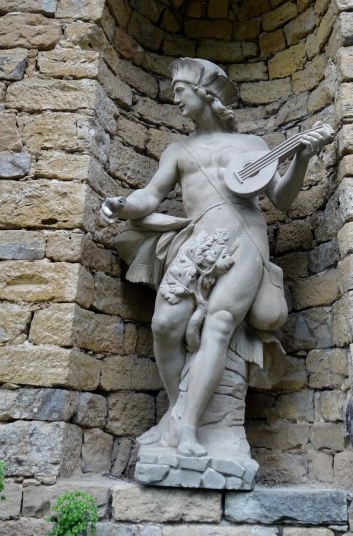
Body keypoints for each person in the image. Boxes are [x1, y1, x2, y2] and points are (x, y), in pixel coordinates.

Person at [101, 58, 333, 457]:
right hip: (199, 242)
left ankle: (189, 429)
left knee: (219, 326)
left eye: (180, 92)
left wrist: (302, 158)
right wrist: (124, 205)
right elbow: (150, 196)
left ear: (204, 94)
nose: (175, 100)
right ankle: (177, 412)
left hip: (246, 239)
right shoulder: (178, 150)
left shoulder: (252, 146)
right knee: (164, 324)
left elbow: (281, 199)